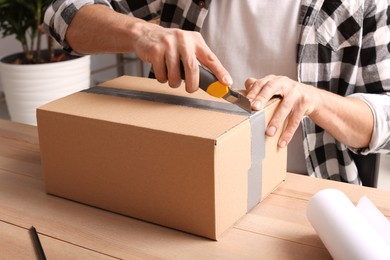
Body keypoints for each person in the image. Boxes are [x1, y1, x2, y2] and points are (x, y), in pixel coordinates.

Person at [44, 0, 390, 185]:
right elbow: (59, 13)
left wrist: (316, 101)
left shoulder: (362, 5)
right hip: (176, 182)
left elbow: (385, 121)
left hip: (310, 194)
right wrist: (139, 32)